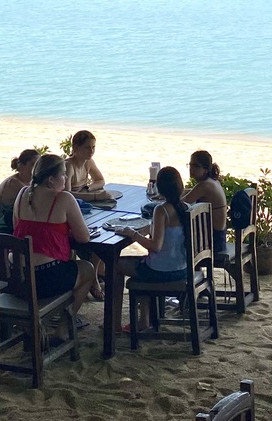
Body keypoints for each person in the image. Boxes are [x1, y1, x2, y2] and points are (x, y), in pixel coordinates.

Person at [12, 152, 97, 324]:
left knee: (70, 264)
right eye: (63, 174)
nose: (66, 178)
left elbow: (18, 229)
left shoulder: (22, 194)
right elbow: (84, 238)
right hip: (45, 278)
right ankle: (64, 327)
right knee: (87, 269)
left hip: (17, 276)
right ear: (51, 179)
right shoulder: (64, 198)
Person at [118, 166, 191, 330]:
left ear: (160, 188)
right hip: (183, 269)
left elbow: (156, 246)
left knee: (117, 265)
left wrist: (133, 235)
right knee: (142, 265)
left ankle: (115, 322)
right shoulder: (186, 207)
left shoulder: (162, 210)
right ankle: (144, 318)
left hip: (161, 272)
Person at [182, 149, 228, 254]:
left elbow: (183, 201)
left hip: (212, 242)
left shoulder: (205, 185)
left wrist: (164, 199)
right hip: (218, 237)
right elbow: (190, 192)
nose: (191, 169)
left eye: (195, 166)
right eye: (190, 165)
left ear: (206, 170)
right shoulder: (212, 181)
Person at [0, 148, 39, 234]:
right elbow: (34, 201)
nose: (37, 168)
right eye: (33, 165)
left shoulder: (28, 182)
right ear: (21, 166)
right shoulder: (14, 183)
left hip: (9, 225)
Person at [64, 130, 111, 201]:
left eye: (93, 147)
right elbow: (66, 195)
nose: (91, 151)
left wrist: (87, 188)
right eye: (87, 148)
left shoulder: (88, 162)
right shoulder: (69, 166)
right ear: (76, 148)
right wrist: (95, 196)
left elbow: (100, 180)